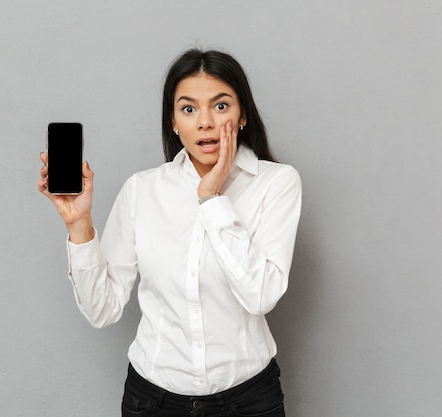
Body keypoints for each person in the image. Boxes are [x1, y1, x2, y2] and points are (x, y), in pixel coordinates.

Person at [39, 48, 302, 417]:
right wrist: (79, 225)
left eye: (221, 106)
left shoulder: (276, 183)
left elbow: (260, 296)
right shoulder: (142, 190)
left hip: (247, 401)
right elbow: (102, 309)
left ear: (243, 115)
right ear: (174, 121)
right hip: (152, 402)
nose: (205, 122)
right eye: (189, 109)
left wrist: (211, 198)